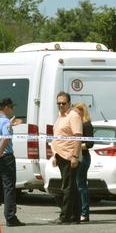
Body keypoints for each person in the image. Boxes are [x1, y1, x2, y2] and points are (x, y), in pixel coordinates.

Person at [0, 97, 25, 227]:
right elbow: (6, 138)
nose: (13, 110)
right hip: (5, 157)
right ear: (6, 108)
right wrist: (1, 151)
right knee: (8, 188)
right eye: (12, 107)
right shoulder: (5, 123)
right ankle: (10, 217)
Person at [50, 92, 83, 224]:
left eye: (63, 103)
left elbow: (78, 137)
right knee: (72, 187)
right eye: (59, 103)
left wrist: (74, 156)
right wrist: (55, 155)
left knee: (68, 188)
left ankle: (65, 216)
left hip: (69, 156)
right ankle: (75, 216)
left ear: (69, 103)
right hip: (60, 156)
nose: (61, 105)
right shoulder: (60, 117)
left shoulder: (73, 116)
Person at [73, 102, 94, 222]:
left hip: (84, 158)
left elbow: (90, 143)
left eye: (76, 111)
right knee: (78, 185)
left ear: (82, 111)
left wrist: (76, 146)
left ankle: (85, 213)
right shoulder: (78, 124)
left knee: (81, 185)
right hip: (78, 156)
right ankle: (79, 211)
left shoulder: (86, 125)